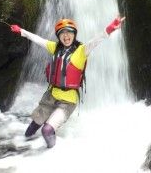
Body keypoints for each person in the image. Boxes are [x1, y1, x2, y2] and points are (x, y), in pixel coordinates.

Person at [10, 16, 125, 148]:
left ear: (74, 34)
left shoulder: (82, 51)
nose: (66, 36)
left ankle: (49, 154)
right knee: (33, 126)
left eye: (69, 32)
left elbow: (96, 40)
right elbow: (38, 40)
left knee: (46, 130)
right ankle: (22, 147)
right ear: (58, 36)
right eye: (62, 33)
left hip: (67, 102)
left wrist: (110, 29)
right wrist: (21, 31)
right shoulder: (55, 48)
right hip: (51, 96)